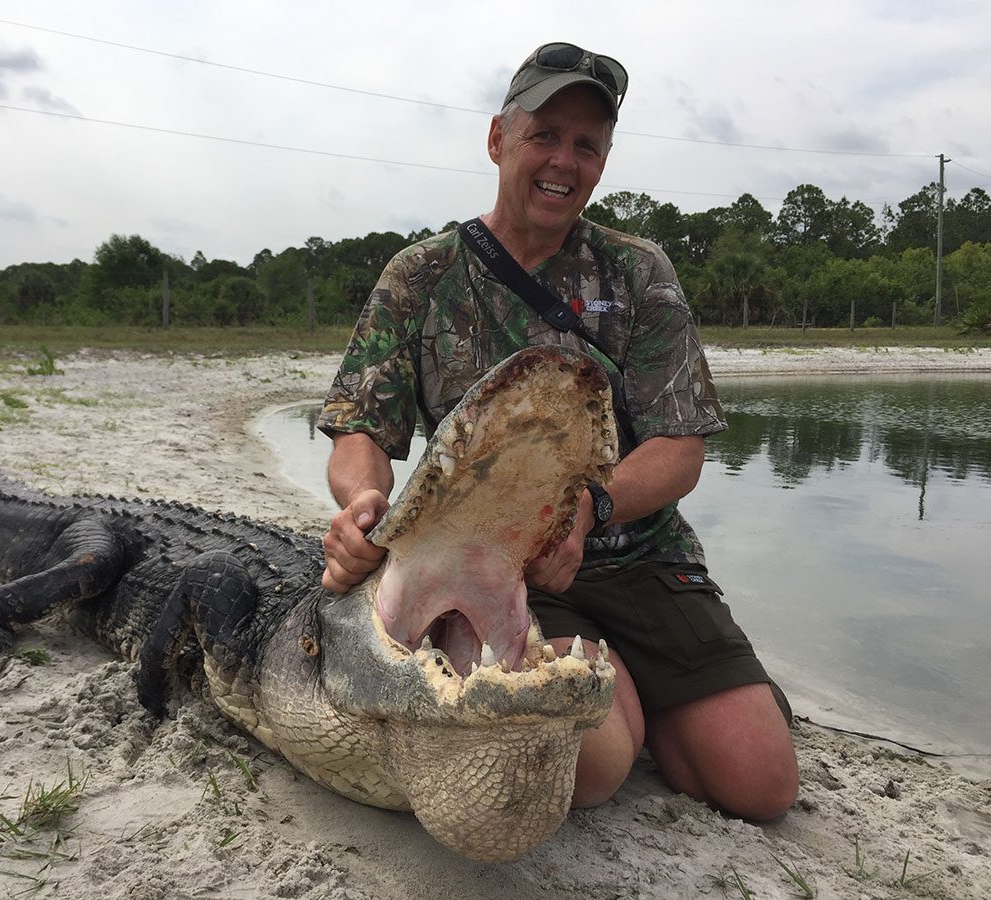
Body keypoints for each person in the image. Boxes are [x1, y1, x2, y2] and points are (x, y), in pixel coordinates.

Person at [315, 42, 798, 820]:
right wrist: (364, 500)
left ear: (603, 161)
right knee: (594, 770)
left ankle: (684, 702)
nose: (562, 161)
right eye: (544, 134)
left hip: (641, 553)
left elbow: (681, 449)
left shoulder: (640, 273)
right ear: (498, 137)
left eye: (587, 145)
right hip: (499, 563)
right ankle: (637, 707)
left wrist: (591, 508)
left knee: (762, 787)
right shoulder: (421, 276)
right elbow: (360, 426)